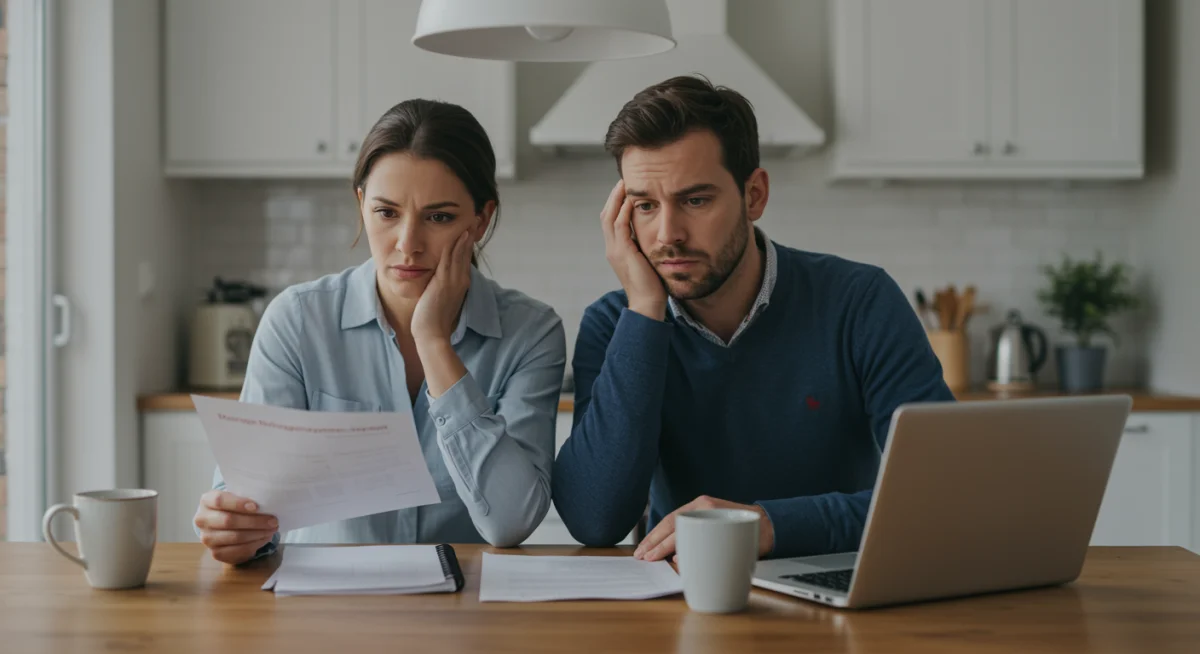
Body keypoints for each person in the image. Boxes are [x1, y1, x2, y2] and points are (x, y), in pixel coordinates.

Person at [551, 76, 954, 562]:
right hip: (680, 592)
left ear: (754, 195)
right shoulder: (616, 323)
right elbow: (595, 520)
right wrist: (643, 312)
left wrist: (768, 527)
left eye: (695, 200)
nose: (667, 234)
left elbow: (943, 490)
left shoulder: (859, 301)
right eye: (645, 206)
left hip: (839, 584)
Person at [193, 99, 567, 564]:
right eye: (387, 213)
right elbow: (246, 502)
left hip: (464, 603)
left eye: (439, 217)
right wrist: (234, 528)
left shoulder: (531, 333)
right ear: (361, 204)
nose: (407, 244)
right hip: (325, 600)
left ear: (481, 220)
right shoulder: (296, 321)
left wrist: (434, 342)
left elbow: (510, 522)